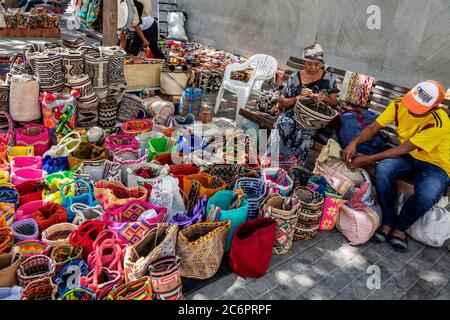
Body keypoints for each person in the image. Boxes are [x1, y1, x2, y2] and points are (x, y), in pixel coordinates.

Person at [343, 80, 449, 252]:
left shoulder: (439, 122)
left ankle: (400, 228)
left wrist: (368, 158)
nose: (413, 109)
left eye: (419, 108)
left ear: (434, 108)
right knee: (384, 169)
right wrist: (353, 142)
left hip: (436, 164)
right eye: (413, 104)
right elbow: (374, 127)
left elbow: (406, 147)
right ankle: (388, 219)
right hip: (409, 156)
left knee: (427, 194)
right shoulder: (400, 104)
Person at [267, 44, 339, 165]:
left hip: (313, 120)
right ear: (304, 62)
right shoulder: (295, 77)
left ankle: (293, 168)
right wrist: (297, 98)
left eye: (317, 64)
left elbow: (334, 104)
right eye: (309, 63)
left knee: (305, 136)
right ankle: (271, 161)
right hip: (292, 114)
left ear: (322, 62)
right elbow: (282, 102)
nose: (313, 67)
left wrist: (325, 98)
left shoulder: (329, 78)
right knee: (282, 124)